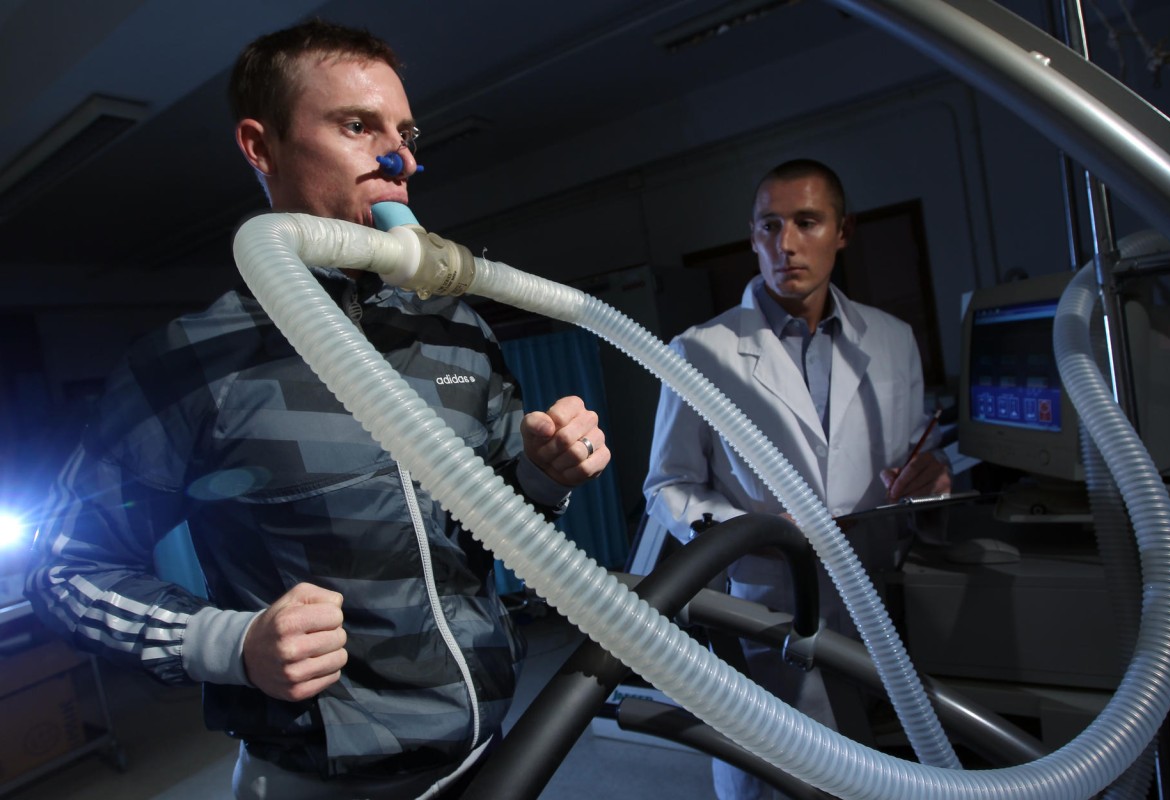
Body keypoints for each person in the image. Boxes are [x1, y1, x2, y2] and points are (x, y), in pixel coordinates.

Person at [25, 19, 610, 800]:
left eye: (405, 132)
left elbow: (497, 515)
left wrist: (544, 475)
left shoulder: (455, 327)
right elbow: (65, 570)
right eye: (358, 125)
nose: (399, 157)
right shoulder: (193, 362)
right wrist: (228, 642)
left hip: (490, 744)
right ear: (260, 147)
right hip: (323, 776)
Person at [643, 158, 949, 799]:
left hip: (873, 605)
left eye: (807, 222)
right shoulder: (703, 349)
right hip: (764, 609)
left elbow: (911, 455)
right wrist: (750, 531)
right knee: (770, 779)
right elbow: (667, 486)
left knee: (877, 774)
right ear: (752, 236)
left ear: (842, 231)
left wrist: (931, 480)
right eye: (769, 226)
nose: (786, 244)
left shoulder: (892, 340)